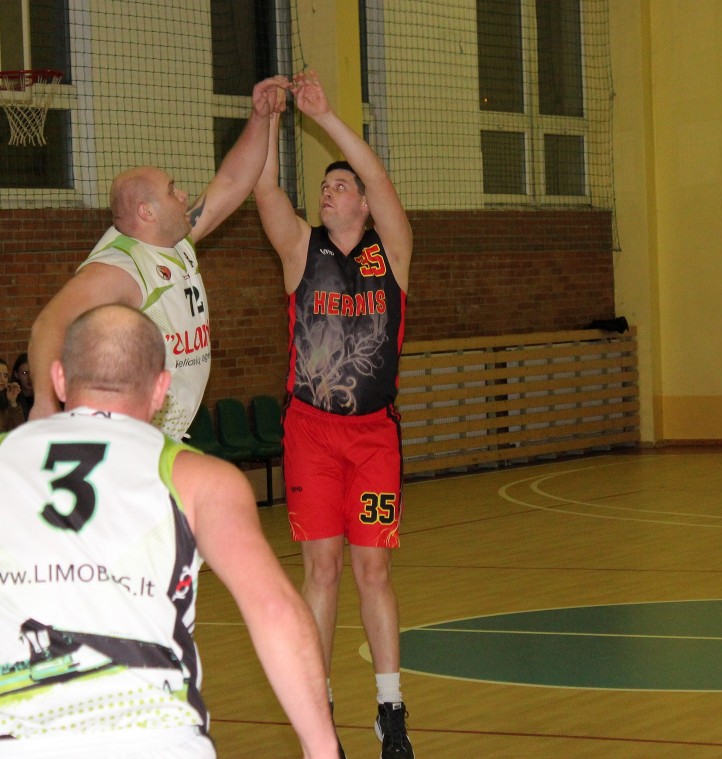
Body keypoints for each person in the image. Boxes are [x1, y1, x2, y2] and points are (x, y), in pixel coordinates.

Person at [0, 304, 338, 759]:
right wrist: (324, 750)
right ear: (161, 389)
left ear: (59, 380)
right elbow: (276, 610)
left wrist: (27, 608)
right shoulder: (202, 479)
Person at [252, 71, 415, 759]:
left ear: (365, 205)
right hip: (312, 434)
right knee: (321, 569)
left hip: (374, 437)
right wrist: (267, 121)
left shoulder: (392, 250)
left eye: (341, 185)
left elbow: (379, 179)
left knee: (373, 570)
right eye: (324, 186)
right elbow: (265, 191)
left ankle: (390, 708)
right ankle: (319, 716)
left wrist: (323, 117)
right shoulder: (302, 250)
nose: (329, 191)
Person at [28, 76, 290, 440]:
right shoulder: (120, 268)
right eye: (171, 190)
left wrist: (260, 118)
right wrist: (44, 402)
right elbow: (49, 323)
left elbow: (232, 181)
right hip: (128, 437)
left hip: (163, 434)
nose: (183, 195)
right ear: (146, 212)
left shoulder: (176, 241)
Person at [11, 352, 34, 420]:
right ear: (16, 374)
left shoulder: (44, 396)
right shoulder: (12, 397)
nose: (29, 378)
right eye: (24, 373)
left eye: (32, 372)